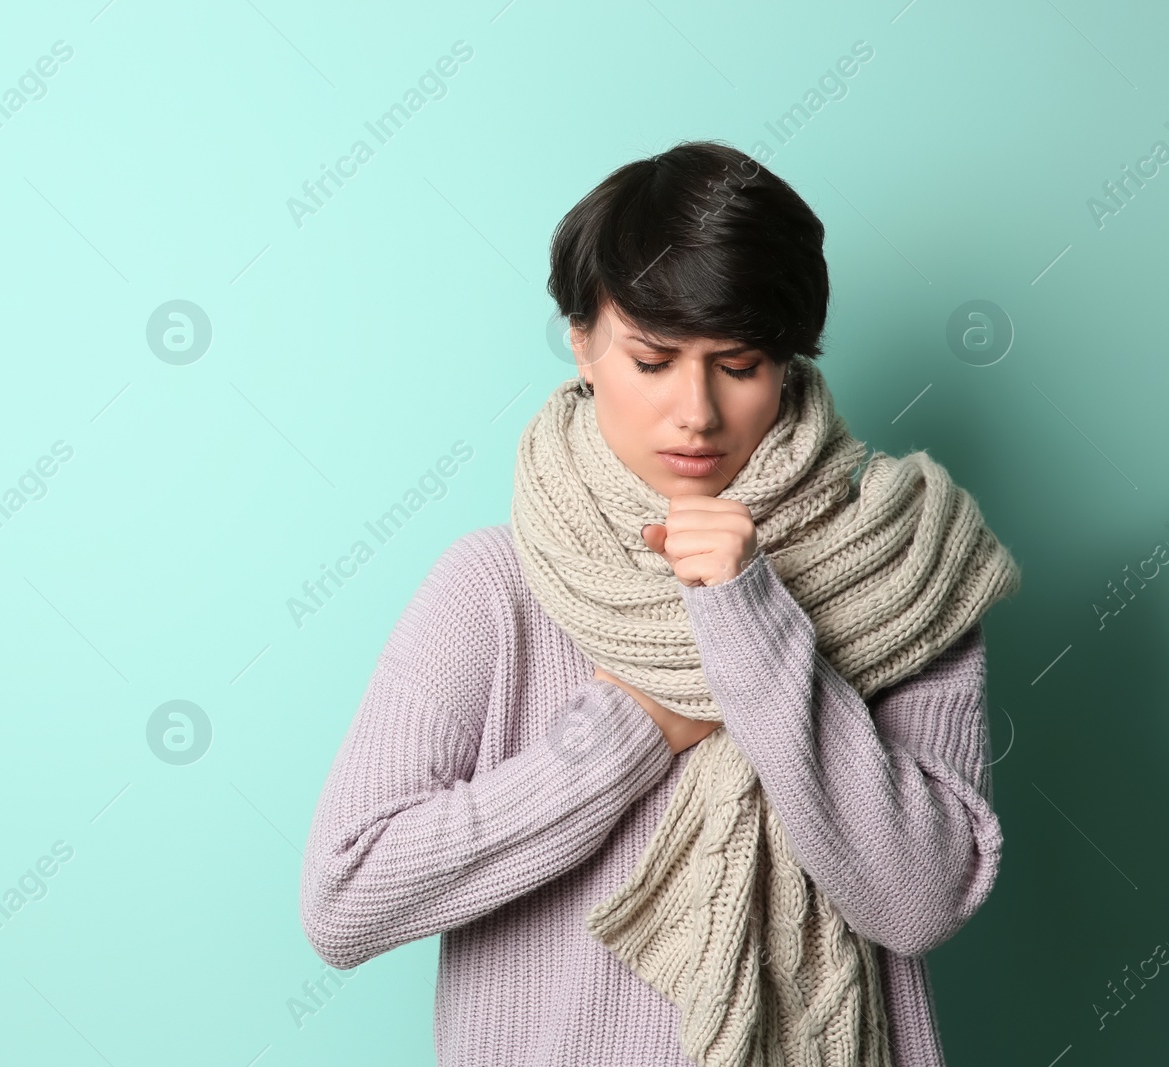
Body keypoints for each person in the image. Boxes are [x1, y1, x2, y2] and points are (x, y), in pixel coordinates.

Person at [298, 141, 1020, 1066]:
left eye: (741, 362)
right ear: (584, 343)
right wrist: (631, 726)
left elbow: (917, 899)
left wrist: (752, 618)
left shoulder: (910, 573)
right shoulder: (493, 589)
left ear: (791, 363)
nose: (698, 411)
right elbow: (346, 897)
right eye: (652, 358)